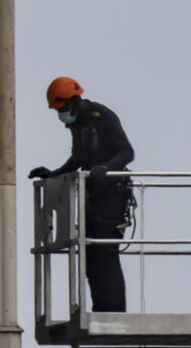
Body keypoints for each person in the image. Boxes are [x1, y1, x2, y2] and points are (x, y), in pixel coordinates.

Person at [28, 76, 135, 313]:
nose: (62, 114)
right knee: (90, 254)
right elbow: (77, 159)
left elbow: (127, 152)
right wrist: (52, 174)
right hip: (93, 197)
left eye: (63, 107)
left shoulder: (103, 117)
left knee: (106, 252)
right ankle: (101, 309)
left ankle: (114, 311)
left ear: (75, 101)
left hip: (112, 197)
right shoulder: (77, 124)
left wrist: (107, 168)